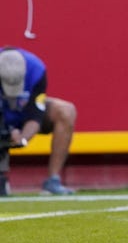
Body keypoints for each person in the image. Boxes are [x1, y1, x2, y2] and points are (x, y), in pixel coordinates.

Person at [0, 47, 77, 196]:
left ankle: (53, 180)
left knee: (66, 111)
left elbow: (36, 115)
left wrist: (22, 139)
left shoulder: (36, 70)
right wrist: (7, 130)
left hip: (23, 114)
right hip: (2, 117)